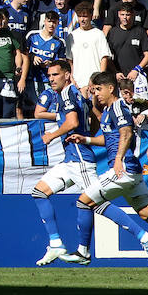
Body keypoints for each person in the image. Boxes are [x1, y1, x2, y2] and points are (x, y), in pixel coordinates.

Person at [54, 71, 148, 267]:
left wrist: (119, 159)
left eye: (99, 89)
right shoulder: (108, 111)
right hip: (133, 172)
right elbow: (109, 139)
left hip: (123, 169)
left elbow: (127, 133)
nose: (96, 94)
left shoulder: (118, 107)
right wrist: (85, 139)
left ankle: (83, 252)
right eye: (94, 90)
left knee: (83, 202)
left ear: (111, 88)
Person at [29, 61, 98, 265]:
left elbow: (73, 123)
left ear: (67, 75)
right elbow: (91, 124)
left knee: (98, 203)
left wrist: (52, 135)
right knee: (39, 192)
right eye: (49, 75)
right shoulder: (76, 94)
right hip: (70, 160)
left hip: (80, 159)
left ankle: (143, 237)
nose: (50, 79)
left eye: (55, 74)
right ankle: (56, 243)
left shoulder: (68, 93)